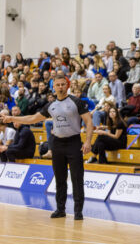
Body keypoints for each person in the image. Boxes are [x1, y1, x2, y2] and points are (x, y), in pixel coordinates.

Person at [1, 75, 93, 220]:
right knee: (59, 178)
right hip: (57, 143)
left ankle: (78, 212)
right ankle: (60, 209)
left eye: (63, 84)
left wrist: (88, 141)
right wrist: (13, 119)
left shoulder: (76, 102)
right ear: (54, 87)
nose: (61, 87)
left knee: (77, 178)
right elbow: (32, 118)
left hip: (74, 143)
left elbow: (88, 121)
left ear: (67, 86)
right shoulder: (51, 105)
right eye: (58, 85)